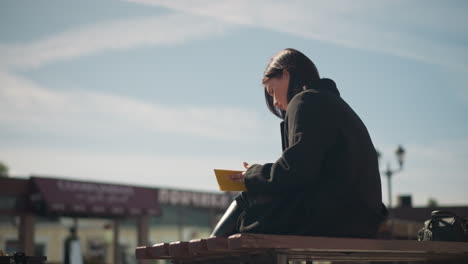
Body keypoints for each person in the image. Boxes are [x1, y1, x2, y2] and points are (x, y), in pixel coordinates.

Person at [211, 48, 387, 238]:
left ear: (286, 75)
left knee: (247, 200)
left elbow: (295, 172)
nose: (274, 102)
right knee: (255, 207)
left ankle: (203, 253)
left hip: (335, 217)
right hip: (361, 218)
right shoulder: (330, 102)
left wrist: (252, 174)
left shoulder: (305, 100)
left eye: (272, 90)